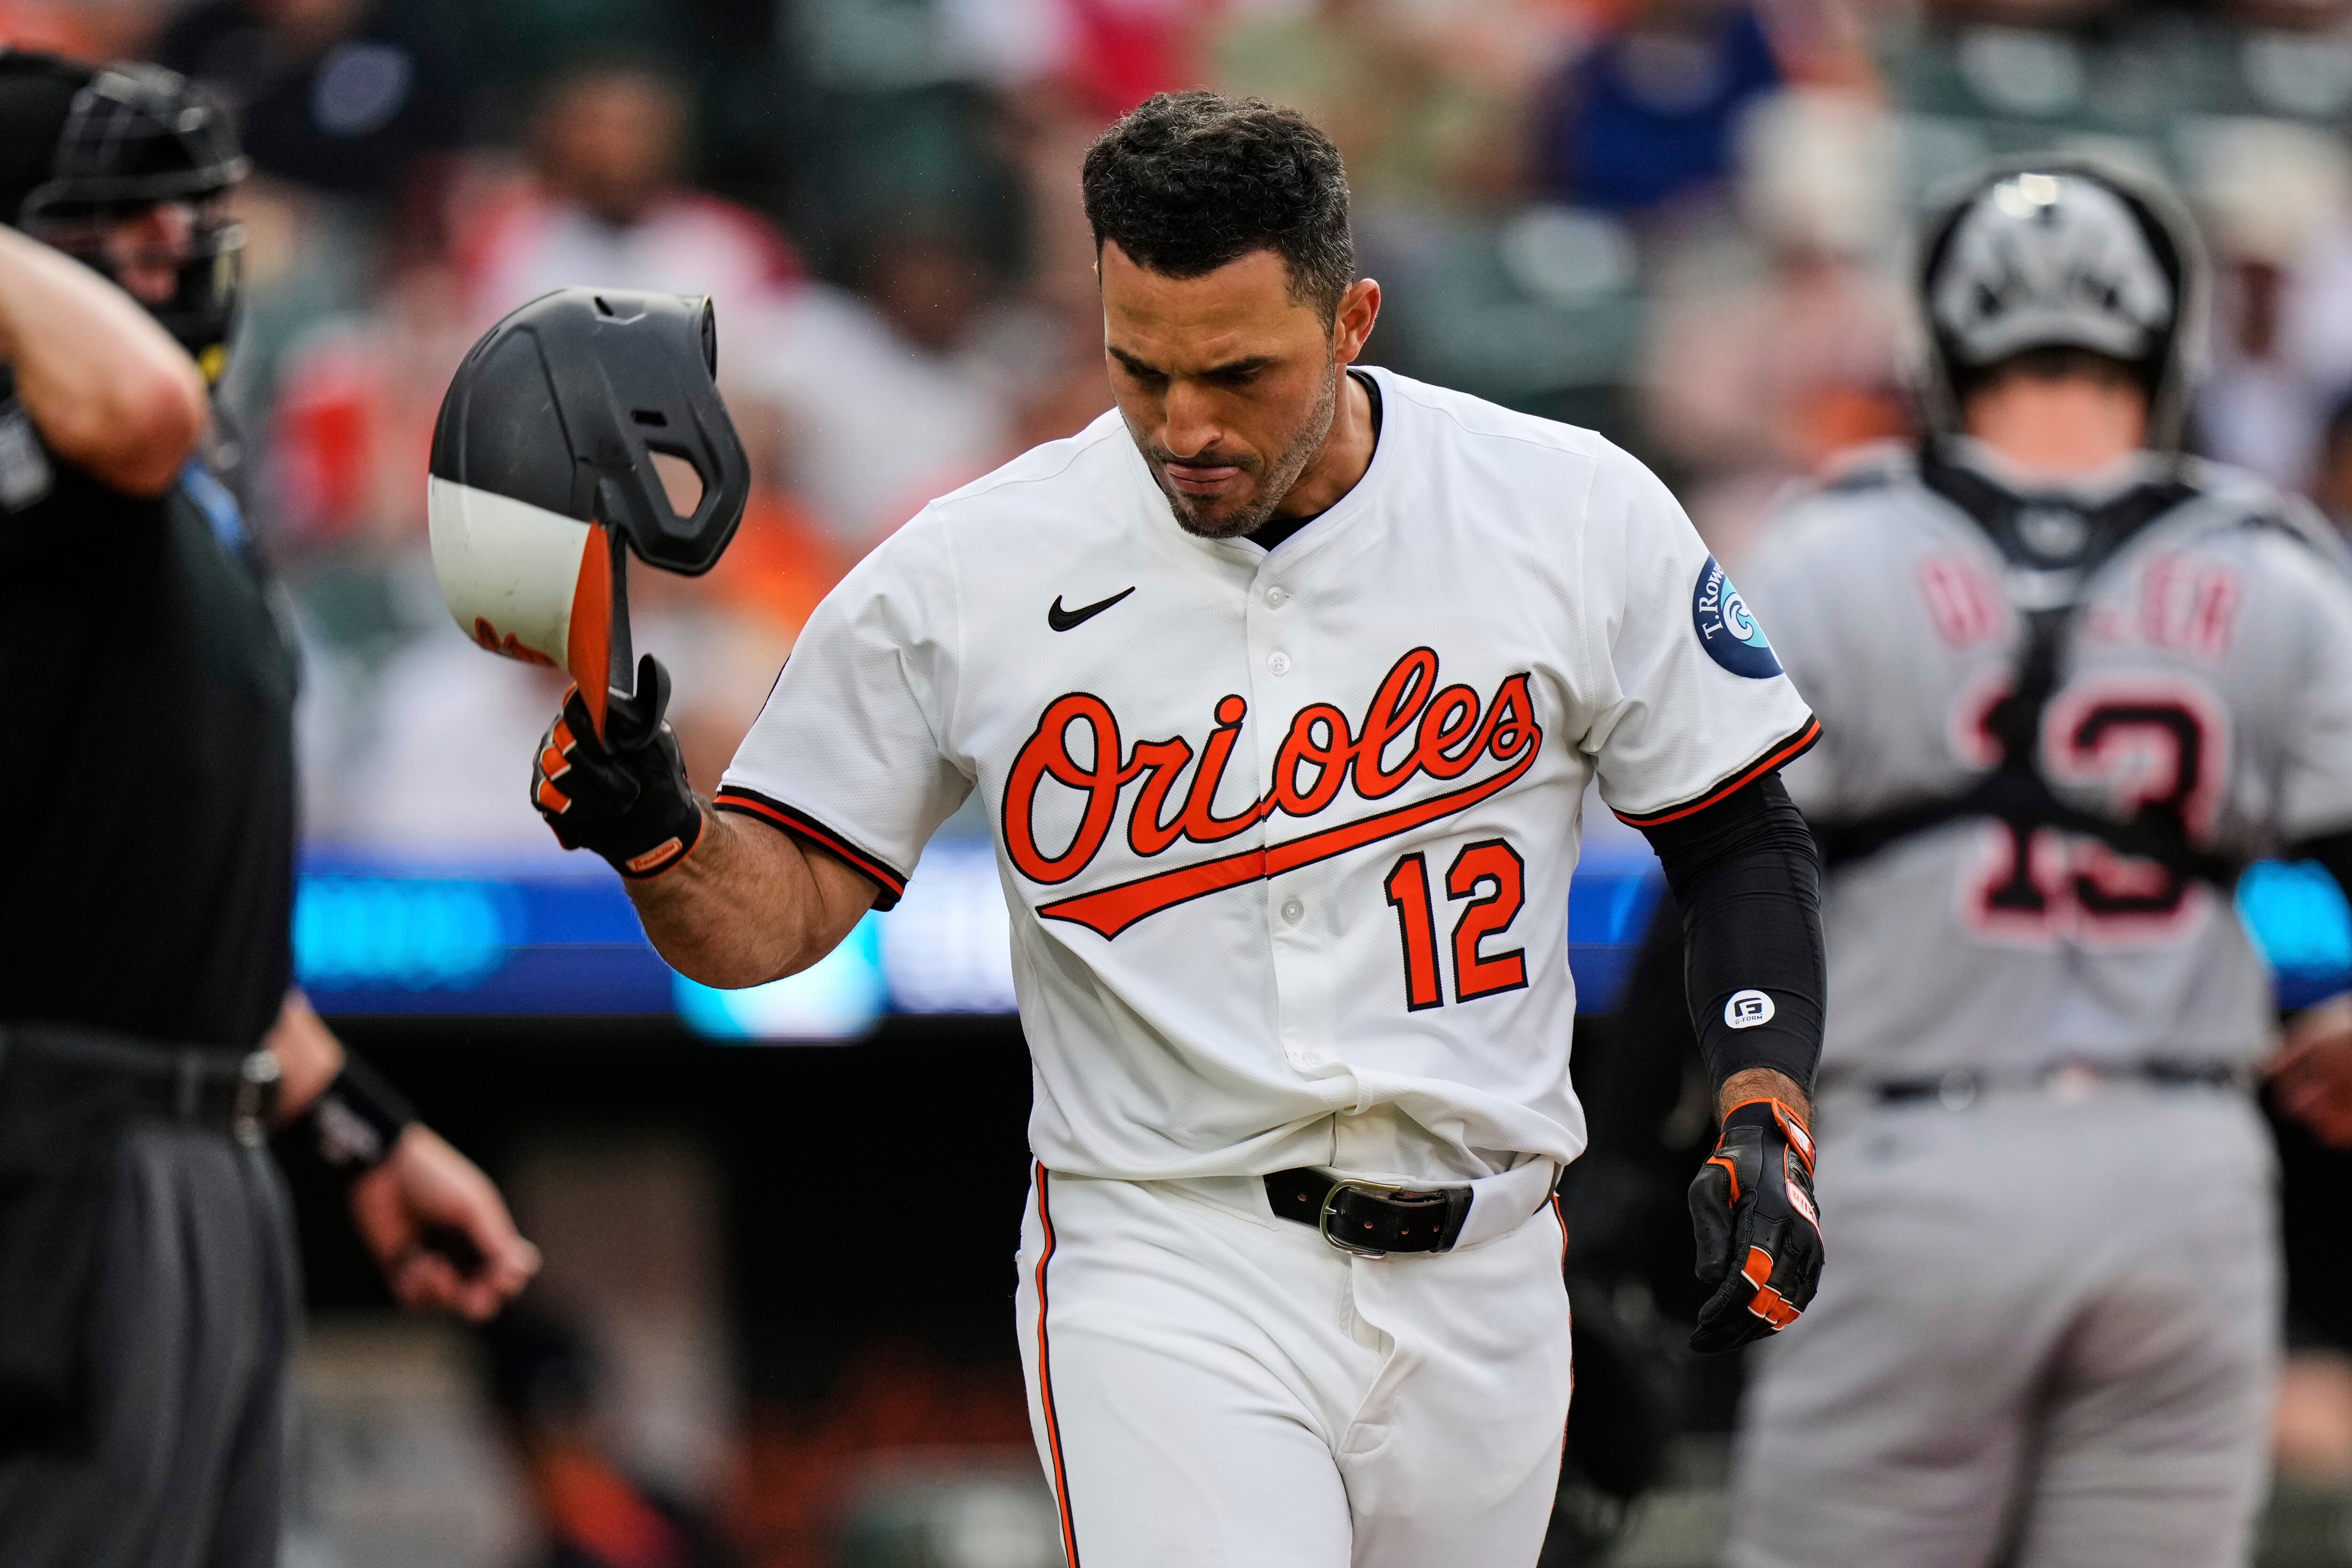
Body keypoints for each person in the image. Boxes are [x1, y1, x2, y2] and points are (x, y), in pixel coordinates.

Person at [516, 91, 1829, 1566]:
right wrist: (660, 838)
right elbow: (776, 922)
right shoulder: (972, 566)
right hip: (1173, 1256)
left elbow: (1741, 837)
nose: (1184, 423)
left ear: (1354, 322)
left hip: (1494, 1263)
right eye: (1141, 368)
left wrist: (1763, 1103)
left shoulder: (1566, 509)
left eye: (1239, 372)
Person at [1727, 159, 2352, 1568]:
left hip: (1914, 1151)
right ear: (2168, 336)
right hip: (2185, 1164)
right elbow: (2312, 866)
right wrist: (2331, 989)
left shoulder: (1832, 546)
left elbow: (1736, 878)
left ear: (1938, 346)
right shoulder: (2279, 561)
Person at [0, 50, 538, 1567]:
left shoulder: (170, 494)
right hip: (51, 1153)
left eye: (190, 220)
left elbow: (175, 895)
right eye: (123, 226)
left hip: (199, 1150)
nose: (180, 258)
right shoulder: (89, 443)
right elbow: (128, 406)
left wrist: (358, 1128)